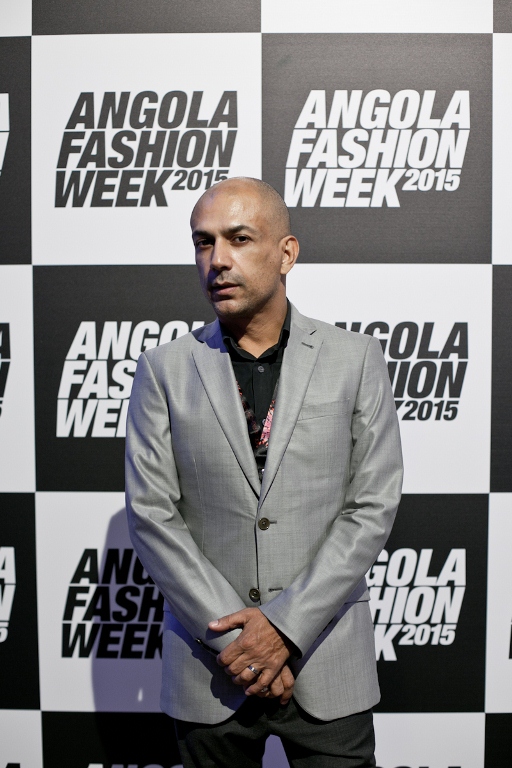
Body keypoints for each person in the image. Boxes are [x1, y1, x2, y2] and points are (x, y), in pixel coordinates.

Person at [125, 177, 403, 767]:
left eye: (239, 238)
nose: (217, 260)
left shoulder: (355, 359)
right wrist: (241, 645)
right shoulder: (163, 370)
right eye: (203, 242)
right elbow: (152, 516)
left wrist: (284, 629)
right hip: (211, 671)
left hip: (327, 662)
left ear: (286, 253)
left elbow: (371, 506)